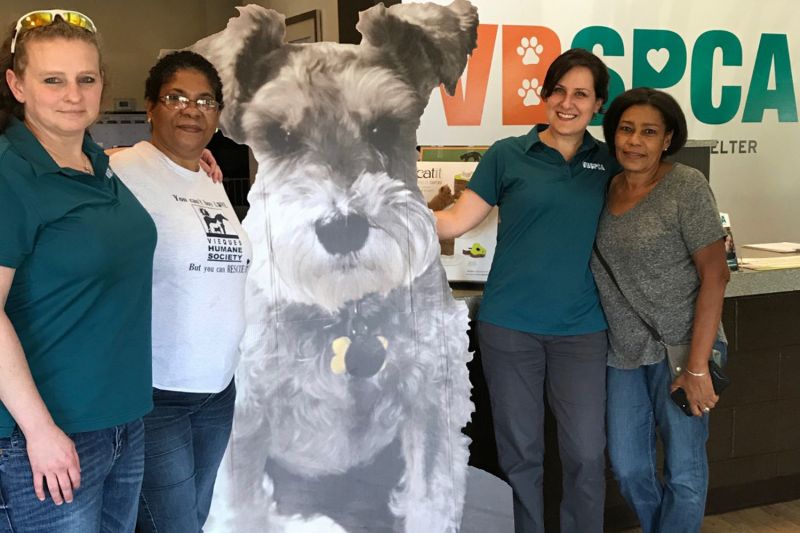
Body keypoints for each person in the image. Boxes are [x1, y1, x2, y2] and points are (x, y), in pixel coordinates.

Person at [435, 48, 617, 533]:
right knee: (521, 456)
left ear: (598, 104)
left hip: (582, 331)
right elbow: (455, 220)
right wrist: (387, 209)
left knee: (584, 453)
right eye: (558, 90)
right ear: (544, 95)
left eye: (581, 94)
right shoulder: (507, 155)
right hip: (510, 328)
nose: (566, 102)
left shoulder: (611, 162)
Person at [0, 10, 156, 532]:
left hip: (122, 422)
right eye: (53, 80)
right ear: (16, 85)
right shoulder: (10, 174)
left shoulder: (99, 162)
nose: (73, 94)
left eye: (86, 79)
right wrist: (40, 432)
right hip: (43, 441)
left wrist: (193, 158)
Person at [110, 51, 251, 533]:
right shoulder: (121, 169)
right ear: (151, 107)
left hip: (217, 388)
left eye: (205, 101)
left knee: (193, 517)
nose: (192, 109)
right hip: (158, 390)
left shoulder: (208, 178)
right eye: (176, 97)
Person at [593, 87, 729, 532]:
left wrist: (696, 367)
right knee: (629, 469)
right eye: (626, 129)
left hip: (683, 351)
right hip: (624, 355)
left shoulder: (685, 186)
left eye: (648, 132)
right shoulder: (605, 186)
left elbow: (716, 274)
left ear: (667, 139)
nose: (635, 141)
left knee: (685, 470)